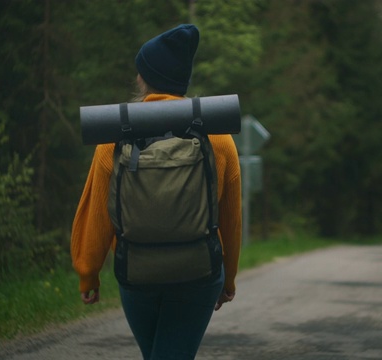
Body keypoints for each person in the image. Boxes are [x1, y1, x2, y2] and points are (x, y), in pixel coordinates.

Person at [70, 24, 242, 360]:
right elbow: (230, 219)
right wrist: (228, 279)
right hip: (200, 273)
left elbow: (98, 214)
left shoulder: (114, 137)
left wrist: (88, 273)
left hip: (138, 272)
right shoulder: (219, 139)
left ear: (143, 78)